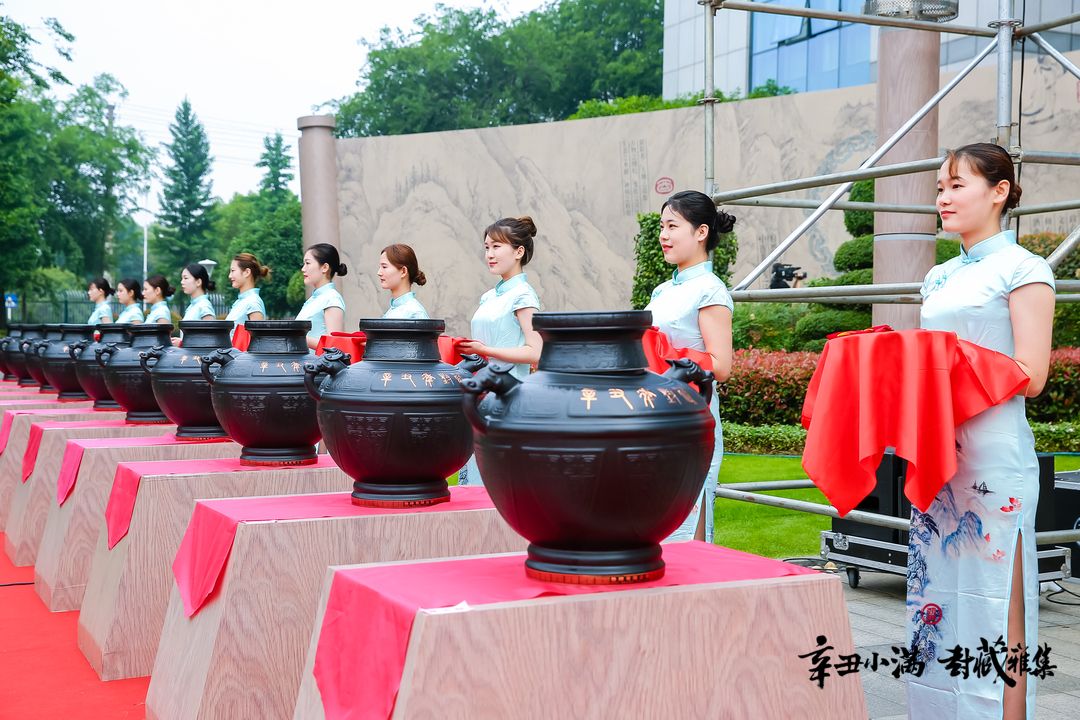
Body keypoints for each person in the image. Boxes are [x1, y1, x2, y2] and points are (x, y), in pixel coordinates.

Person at [907, 143, 1054, 720]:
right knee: (937, 597)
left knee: (997, 602)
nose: (943, 198)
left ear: (999, 191)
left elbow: (1032, 374)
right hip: (939, 450)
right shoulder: (938, 275)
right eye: (940, 188)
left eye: (957, 185)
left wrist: (948, 368)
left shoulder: (1024, 269)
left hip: (993, 454)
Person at [645, 190, 734, 544]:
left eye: (672, 226)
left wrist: (664, 353)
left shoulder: (710, 290)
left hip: (691, 420)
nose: (663, 235)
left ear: (701, 232)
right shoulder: (662, 291)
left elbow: (721, 366)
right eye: (661, 227)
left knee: (686, 530)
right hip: (656, 414)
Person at [457, 216, 542, 487]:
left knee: (501, 478)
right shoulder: (489, 296)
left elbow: (535, 352)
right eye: (486, 247)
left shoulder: (523, 295)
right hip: (482, 392)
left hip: (510, 394)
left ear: (519, 251)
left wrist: (485, 350)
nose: (489, 254)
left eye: (496, 247)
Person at [296, 243, 347, 348]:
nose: (303, 269)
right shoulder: (315, 299)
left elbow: (334, 347)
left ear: (324, 267)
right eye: (304, 264)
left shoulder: (332, 299)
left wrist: (296, 337)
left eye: (308, 263)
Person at [378, 244, 429, 320]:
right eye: (380, 267)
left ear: (403, 271)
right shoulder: (393, 310)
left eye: (384, 267)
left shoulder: (415, 313)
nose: (379, 273)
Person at [225, 253, 269, 330]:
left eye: (233, 271)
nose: (230, 276)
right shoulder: (242, 302)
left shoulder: (253, 302)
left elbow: (258, 335)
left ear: (247, 272)